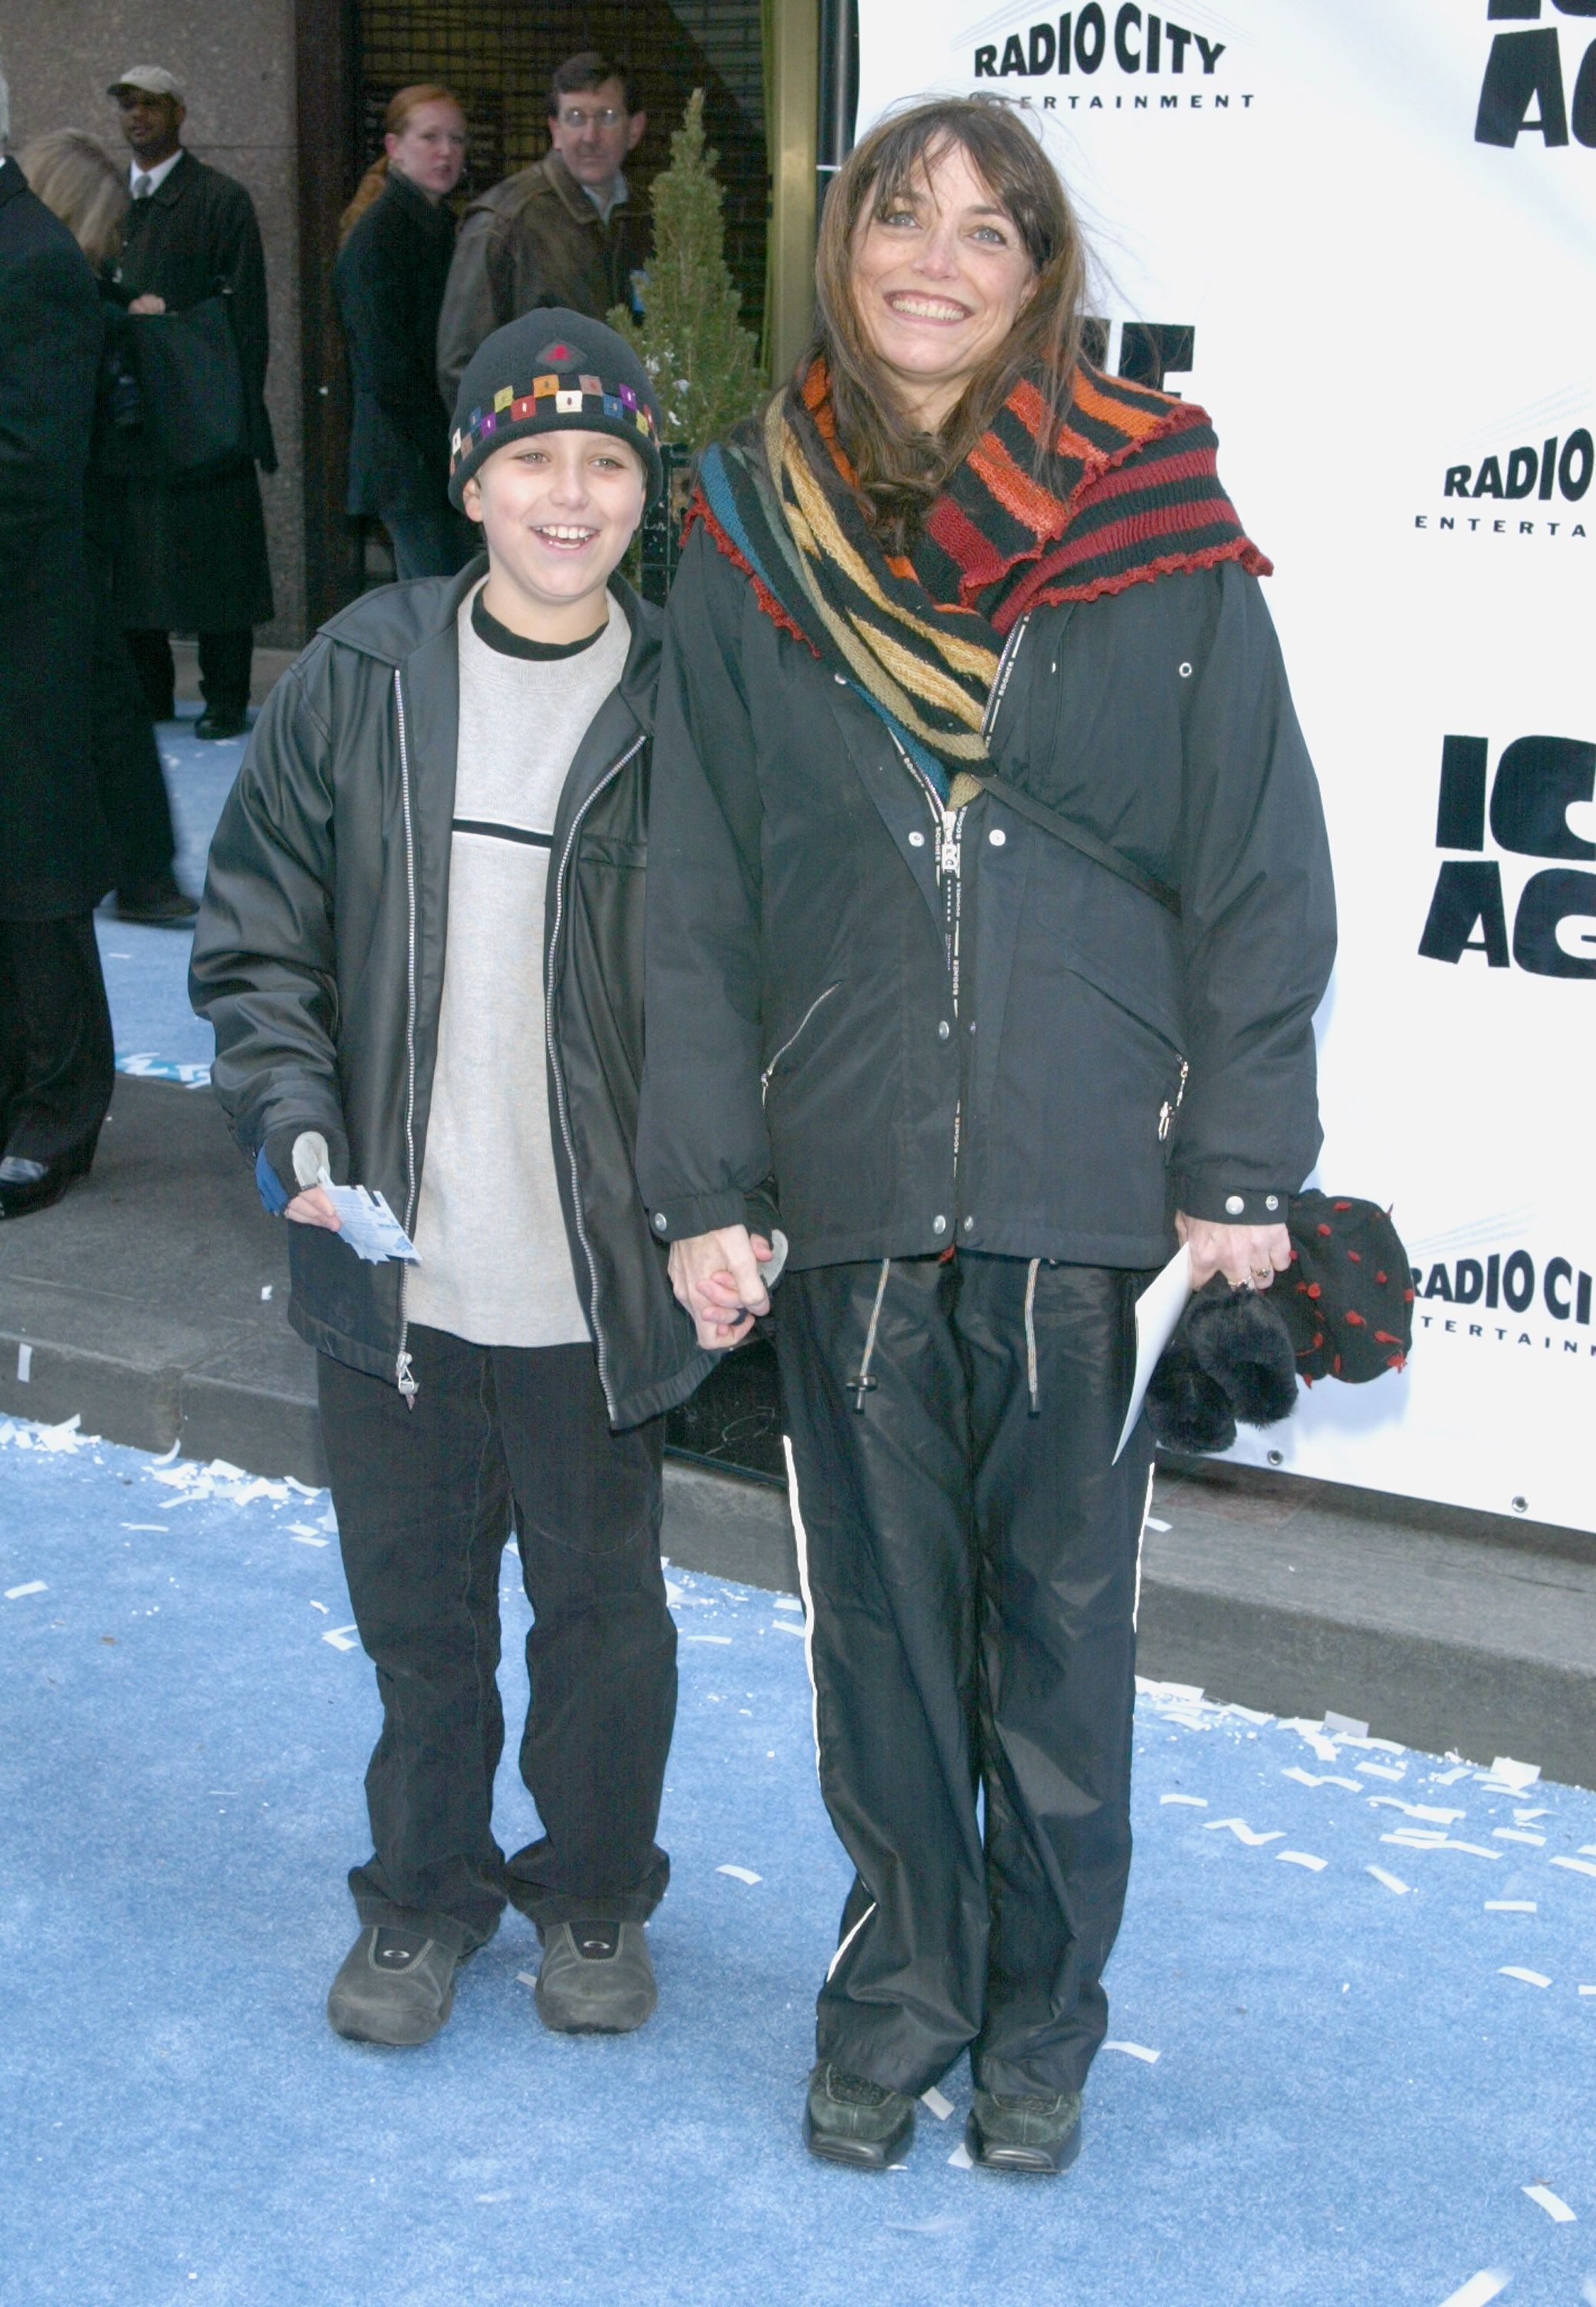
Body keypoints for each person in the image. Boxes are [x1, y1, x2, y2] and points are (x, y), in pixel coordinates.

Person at [636, 98, 1336, 2174]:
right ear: (844, 247)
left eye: (988, 233)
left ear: (1041, 279)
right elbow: (692, 883)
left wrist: (1237, 1159)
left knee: (1056, 1644)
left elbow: (1254, 856)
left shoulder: (1154, 510)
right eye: (899, 220)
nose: (934, 263)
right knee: (875, 1650)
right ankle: (902, 1993)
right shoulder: (745, 525)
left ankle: (1040, 2022)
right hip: (842, 1178)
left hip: (1082, 1187)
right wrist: (704, 1181)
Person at [190, 311, 710, 2049]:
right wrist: (293, 1121)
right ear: (471, 477)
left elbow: (763, 988)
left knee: (600, 1631)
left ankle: (591, 1892)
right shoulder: (364, 670)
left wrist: (730, 1194)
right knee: (419, 1629)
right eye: (534, 457)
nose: (570, 495)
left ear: (648, 489)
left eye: (608, 461)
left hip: (593, 1288)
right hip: (391, 1275)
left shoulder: (696, 703)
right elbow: (258, 934)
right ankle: (418, 1897)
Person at [18, 128, 195, 926]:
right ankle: (141, 873)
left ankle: (138, 870)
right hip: (64, 543)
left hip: (64, 541)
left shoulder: (63, 288)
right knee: (104, 711)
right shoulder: (56, 291)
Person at [0, 70, 117, 1220]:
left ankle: (58, 1114)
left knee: (34, 881)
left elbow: (30, 468)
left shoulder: (32, 257)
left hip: (23, 626)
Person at [109, 65, 275, 741]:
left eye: (150, 105)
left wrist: (173, 333)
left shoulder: (219, 199)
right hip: (132, 416)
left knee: (217, 565)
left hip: (205, 412)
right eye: (127, 106)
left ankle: (225, 697)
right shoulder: (111, 199)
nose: (137, 118)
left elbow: (248, 318)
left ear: (179, 113)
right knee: (135, 566)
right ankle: (149, 694)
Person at [436, 53, 647, 411]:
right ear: (555, 130)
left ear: (635, 129)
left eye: (607, 117)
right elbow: (462, 368)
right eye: (575, 118)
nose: (590, 136)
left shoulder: (653, 220)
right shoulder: (504, 221)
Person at [335, 84, 469, 581]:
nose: (446, 152)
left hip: (424, 453)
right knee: (434, 603)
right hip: (408, 457)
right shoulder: (382, 234)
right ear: (394, 147)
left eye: (457, 139)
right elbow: (388, 366)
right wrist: (448, 444)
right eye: (430, 137)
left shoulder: (434, 224)